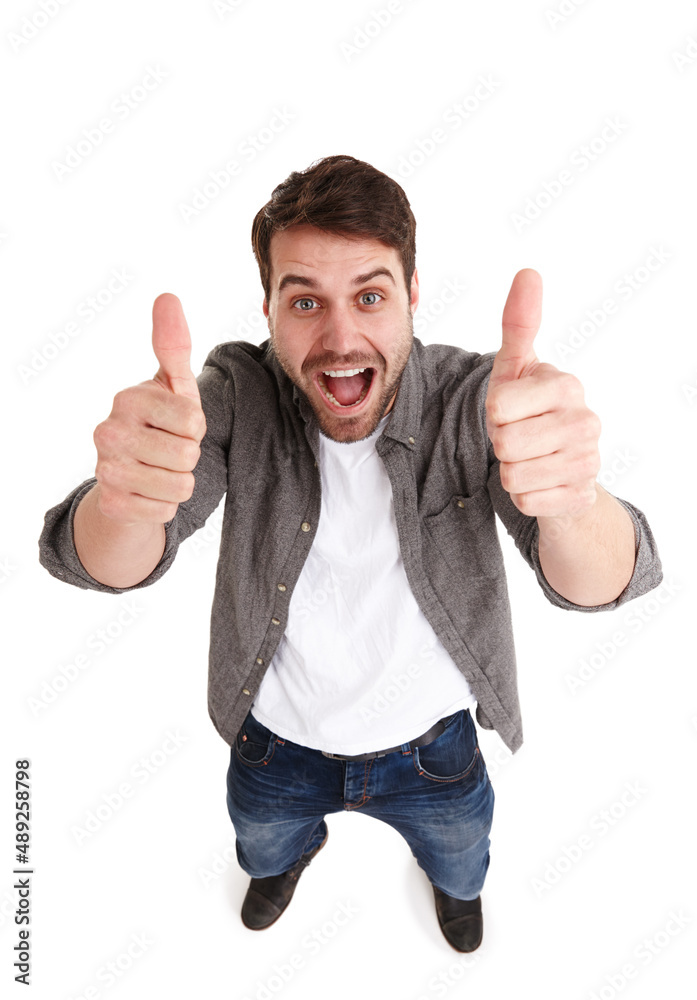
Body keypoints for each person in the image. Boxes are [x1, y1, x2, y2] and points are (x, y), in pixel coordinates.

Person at [39, 154, 663, 953]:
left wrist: (574, 502)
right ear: (267, 307)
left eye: (369, 295)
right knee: (261, 844)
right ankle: (285, 862)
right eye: (304, 301)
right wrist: (122, 502)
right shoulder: (234, 392)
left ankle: (452, 892)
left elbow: (597, 585)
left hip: (435, 750)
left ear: (410, 297)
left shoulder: (477, 400)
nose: (339, 339)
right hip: (275, 745)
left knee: (462, 859)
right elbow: (106, 562)